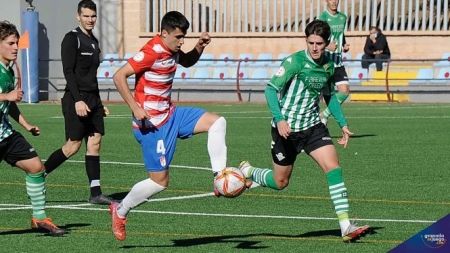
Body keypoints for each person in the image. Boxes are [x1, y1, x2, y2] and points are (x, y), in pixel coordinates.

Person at [238, 19, 371, 243]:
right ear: (306, 41)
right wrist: (279, 119)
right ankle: (249, 171)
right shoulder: (294, 62)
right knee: (281, 182)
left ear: (327, 43)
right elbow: (271, 91)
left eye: (319, 43)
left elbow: (329, 96)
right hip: (287, 131)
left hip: (313, 127)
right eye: (311, 42)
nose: (315, 47)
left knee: (334, 169)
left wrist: (343, 124)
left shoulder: (330, 64)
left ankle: (346, 226)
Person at [109, 11, 228, 241]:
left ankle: (219, 178)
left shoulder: (171, 49)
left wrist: (199, 47)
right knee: (160, 182)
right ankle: (120, 210)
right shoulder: (151, 52)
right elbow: (118, 76)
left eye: (184, 36)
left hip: (171, 115)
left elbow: (186, 61)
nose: (182, 41)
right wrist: (134, 107)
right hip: (151, 125)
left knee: (217, 122)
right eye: (178, 37)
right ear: (164, 33)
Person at [43, 0, 113, 205]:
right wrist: (78, 100)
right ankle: (40, 175)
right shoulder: (71, 39)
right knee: (72, 146)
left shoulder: (94, 41)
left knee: (95, 142)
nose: (90, 20)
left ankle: (96, 193)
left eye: (93, 16)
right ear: (78, 16)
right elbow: (68, 72)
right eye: (86, 16)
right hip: (76, 98)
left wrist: (99, 102)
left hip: (93, 99)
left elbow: (93, 75)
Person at [0, 20, 66, 236]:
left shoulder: (8, 70)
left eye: (17, 42)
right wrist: (7, 95)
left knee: (36, 167)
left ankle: (39, 218)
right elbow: (6, 98)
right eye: (11, 43)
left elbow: (7, 106)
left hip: (5, 134)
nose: (16, 47)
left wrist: (27, 125)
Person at [318, 0, 351, 126]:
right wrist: (327, 46)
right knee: (323, 95)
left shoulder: (343, 17)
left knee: (344, 91)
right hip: (325, 63)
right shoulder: (322, 18)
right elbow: (316, 38)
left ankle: (324, 115)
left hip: (338, 61)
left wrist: (344, 45)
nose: (334, 2)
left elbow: (341, 34)